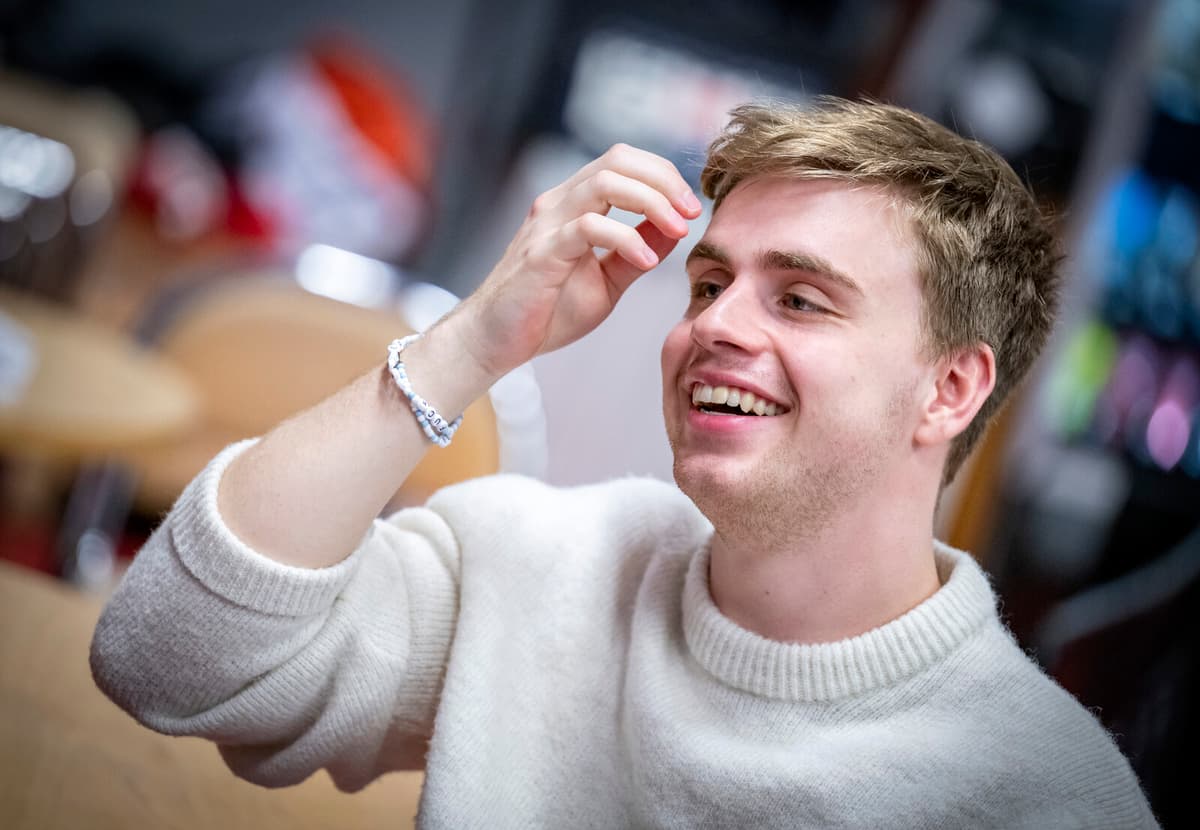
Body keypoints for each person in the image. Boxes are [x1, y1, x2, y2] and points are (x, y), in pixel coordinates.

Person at [90, 97, 1159, 828]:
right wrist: (469, 343)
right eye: (710, 285)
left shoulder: (1045, 792)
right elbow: (168, 659)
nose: (713, 325)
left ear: (951, 389)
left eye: (800, 298)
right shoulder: (539, 558)